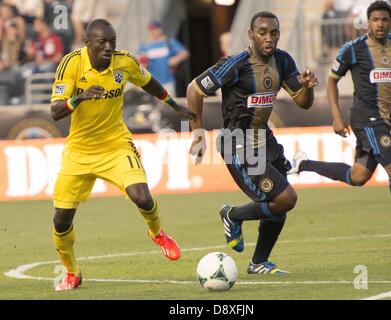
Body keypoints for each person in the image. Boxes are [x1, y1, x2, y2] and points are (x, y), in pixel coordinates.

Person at [50, 19, 197, 291]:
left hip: (115, 144)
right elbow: (56, 110)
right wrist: (79, 98)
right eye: (102, 42)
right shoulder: (71, 64)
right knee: (61, 219)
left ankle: (157, 233)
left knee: (142, 196)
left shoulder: (125, 62)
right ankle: (72, 272)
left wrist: (174, 105)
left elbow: (148, 82)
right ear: (87, 42)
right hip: (79, 151)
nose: (108, 47)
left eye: (112, 42)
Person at [187, 11, 318, 275]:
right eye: (262, 32)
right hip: (238, 143)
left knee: (279, 202)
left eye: (274, 33)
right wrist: (198, 133)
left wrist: (307, 87)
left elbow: (303, 103)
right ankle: (232, 215)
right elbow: (194, 89)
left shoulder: (283, 60)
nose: (269, 38)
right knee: (285, 198)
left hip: (264, 140)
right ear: (251, 35)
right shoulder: (235, 64)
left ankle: (258, 263)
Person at [289, 1, 391, 248]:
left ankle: (303, 163)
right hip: (365, 120)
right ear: (368, 22)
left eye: (384, 19)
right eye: (375, 20)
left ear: (390, 21)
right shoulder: (354, 49)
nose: (380, 24)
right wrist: (336, 116)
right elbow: (331, 81)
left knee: (358, 176)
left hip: (383, 120)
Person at [137, 20, 190, 97]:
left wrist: (176, 59)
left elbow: (185, 53)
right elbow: (139, 63)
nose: (152, 32)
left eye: (154, 29)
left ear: (160, 29)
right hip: (151, 82)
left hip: (167, 81)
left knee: (169, 105)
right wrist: (143, 62)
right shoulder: (145, 46)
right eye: (150, 30)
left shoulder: (169, 42)